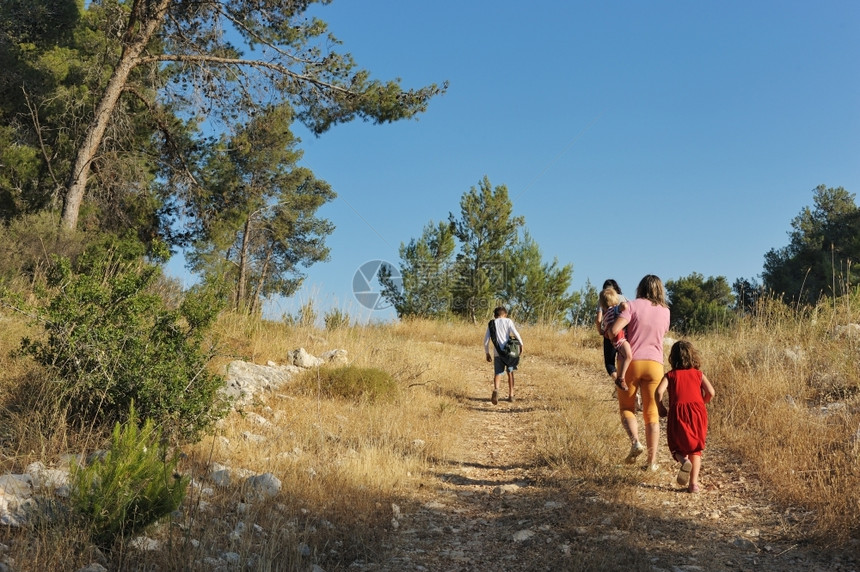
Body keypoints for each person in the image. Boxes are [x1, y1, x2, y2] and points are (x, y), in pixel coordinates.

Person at [604, 275, 670, 470]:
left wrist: (609, 333)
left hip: (631, 362)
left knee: (627, 408)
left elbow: (615, 329)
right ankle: (652, 463)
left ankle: (635, 442)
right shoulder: (666, 311)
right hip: (655, 365)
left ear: (640, 288)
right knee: (651, 414)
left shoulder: (632, 305)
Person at [656, 340, 716, 493]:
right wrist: (702, 402)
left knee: (676, 445)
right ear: (693, 356)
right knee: (696, 449)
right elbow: (711, 392)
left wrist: (661, 407)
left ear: (673, 358)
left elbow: (658, 392)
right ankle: (693, 485)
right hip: (697, 412)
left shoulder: (670, 375)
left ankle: (684, 461)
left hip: (677, 413)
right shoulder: (698, 374)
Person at [484, 306, 524, 405]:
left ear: (495, 315)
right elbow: (516, 333)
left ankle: (496, 389)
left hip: (497, 353)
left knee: (498, 373)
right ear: (505, 314)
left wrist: (487, 353)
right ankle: (511, 395)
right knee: (510, 372)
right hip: (509, 352)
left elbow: (486, 340)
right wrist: (521, 344)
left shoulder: (492, 323)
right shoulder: (508, 321)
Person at [598, 287, 632, 391]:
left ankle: (620, 378)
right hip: (620, 339)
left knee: (614, 362)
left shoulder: (606, 314)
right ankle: (621, 378)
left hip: (613, 340)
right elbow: (624, 306)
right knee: (628, 356)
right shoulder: (613, 309)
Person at [596, 279, 626, 383]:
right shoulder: (624, 298)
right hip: (624, 334)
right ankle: (626, 383)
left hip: (609, 335)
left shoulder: (603, 299)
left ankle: (619, 384)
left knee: (609, 363)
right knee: (624, 359)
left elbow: (598, 319)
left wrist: (600, 330)